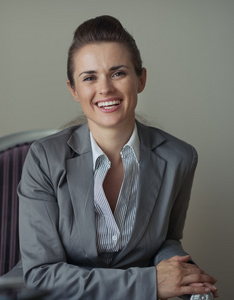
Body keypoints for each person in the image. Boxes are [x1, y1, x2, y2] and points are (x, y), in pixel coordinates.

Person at [17, 15, 218, 299]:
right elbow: (42, 276)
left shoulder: (179, 157)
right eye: (89, 77)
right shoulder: (44, 158)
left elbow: (167, 239)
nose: (105, 89)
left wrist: (188, 277)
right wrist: (148, 283)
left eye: (118, 73)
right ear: (74, 89)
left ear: (141, 79)